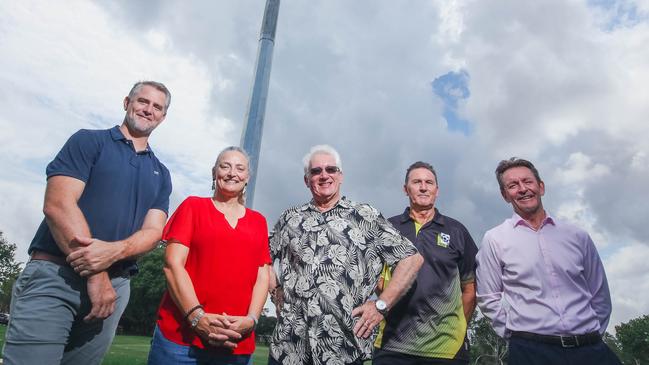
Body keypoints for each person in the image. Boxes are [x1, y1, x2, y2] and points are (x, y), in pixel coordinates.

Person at [3, 81, 173, 365]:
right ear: (126, 102)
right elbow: (58, 205)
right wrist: (96, 273)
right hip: (56, 274)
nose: (148, 110)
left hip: (115, 288)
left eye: (157, 107)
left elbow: (154, 232)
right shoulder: (88, 141)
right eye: (142, 101)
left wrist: (113, 255)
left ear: (163, 117)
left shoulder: (162, 173)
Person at [268, 145, 424, 365]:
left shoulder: (365, 216)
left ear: (340, 176)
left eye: (331, 169)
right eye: (316, 171)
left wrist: (381, 305)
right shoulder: (289, 218)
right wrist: (276, 289)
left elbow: (412, 258)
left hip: (343, 350)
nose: (324, 175)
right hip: (288, 348)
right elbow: (264, 258)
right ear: (306, 179)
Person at [475, 157, 621, 365]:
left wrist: (592, 332)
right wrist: (514, 334)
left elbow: (600, 294)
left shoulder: (577, 236)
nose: (523, 189)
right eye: (513, 185)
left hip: (591, 349)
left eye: (528, 181)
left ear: (541, 187)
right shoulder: (495, 239)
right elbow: (488, 296)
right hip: (531, 352)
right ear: (505, 195)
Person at [146, 146, 271, 365]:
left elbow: (263, 275)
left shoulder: (258, 221)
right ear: (214, 172)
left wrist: (251, 319)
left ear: (247, 177)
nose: (232, 173)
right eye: (225, 166)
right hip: (181, 341)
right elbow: (173, 264)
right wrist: (196, 317)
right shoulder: (193, 207)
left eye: (239, 168)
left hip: (236, 342)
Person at [374, 161, 478, 365]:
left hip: (445, 349)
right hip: (393, 345)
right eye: (417, 182)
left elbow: (470, 289)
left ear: (436, 190)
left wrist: (454, 329)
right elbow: (376, 281)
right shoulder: (388, 228)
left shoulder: (457, 230)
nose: (423, 187)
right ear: (406, 189)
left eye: (429, 182)